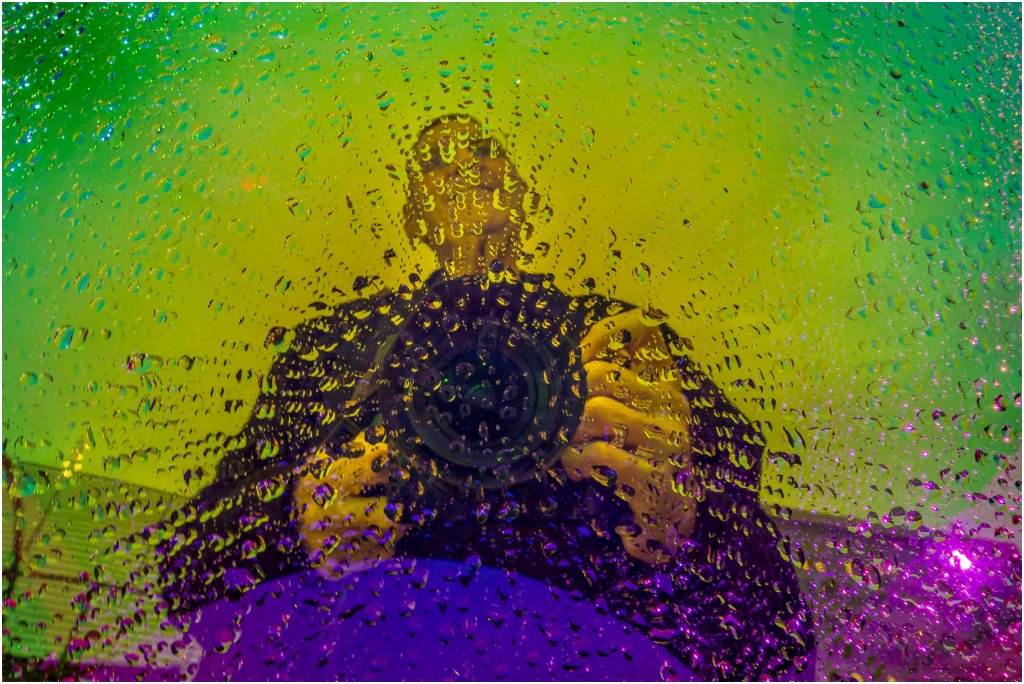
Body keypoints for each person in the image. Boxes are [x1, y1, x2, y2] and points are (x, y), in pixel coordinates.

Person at [161, 114, 814, 681]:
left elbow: (780, 640)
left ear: (522, 196)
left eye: (482, 150)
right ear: (415, 219)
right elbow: (186, 572)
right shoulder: (336, 350)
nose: (463, 167)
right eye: (435, 163)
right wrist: (298, 517)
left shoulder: (622, 347)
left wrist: (687, 518)